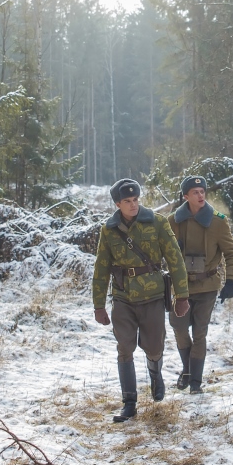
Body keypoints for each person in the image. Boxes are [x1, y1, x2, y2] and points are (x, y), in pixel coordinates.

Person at [93, 178, 190, 422]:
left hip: (153, 296)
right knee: (124, 347)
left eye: (135, 200)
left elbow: (175, 259)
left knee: (154, 346)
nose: (133, 204)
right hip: (123, 297)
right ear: (117, 203)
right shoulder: (109, 229)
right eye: (127, 201)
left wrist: (182, 296)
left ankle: (155, 375)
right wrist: (98, 305)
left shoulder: (156, 222)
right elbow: (101, 268)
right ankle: (129, 403)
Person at [168, 175, 233, 394]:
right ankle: (187, 370)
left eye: (203, 192)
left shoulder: (218, 221)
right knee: (180, 330)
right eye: (195, 193)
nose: (200, 196)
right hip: (181, 287)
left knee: (200, 333)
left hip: (207, 285)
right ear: (186, 197)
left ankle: (195, 383)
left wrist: (231, 282)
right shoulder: (173, 221)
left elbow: (232, 254)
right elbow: (160, 251)